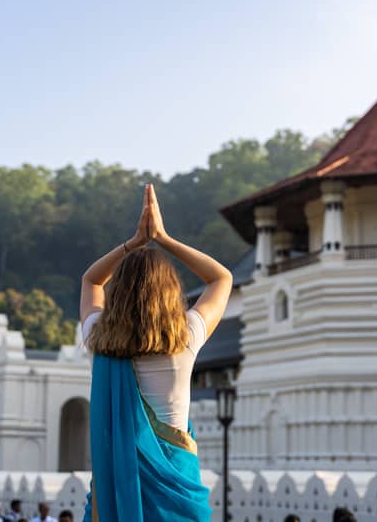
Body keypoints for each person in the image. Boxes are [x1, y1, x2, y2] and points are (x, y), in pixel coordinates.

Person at [80, 183, 232, 520]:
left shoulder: (99, 337)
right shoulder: (186, 336)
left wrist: (132, 244)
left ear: (117, 292)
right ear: (171, 291)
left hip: (116, 485)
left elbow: (91, 281)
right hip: (177, 480)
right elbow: (221, 279)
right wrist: (163, 239)